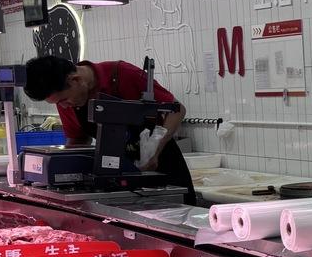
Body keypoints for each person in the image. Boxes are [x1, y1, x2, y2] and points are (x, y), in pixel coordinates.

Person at [22, 56, 196, 206]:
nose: (64, 106)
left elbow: (177, 110)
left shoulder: (123, 74)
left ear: (75, 80)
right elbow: (78, 141)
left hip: (163, 169)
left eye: (64, 100)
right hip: (114, 178)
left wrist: (155, 148)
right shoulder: (67, 102)